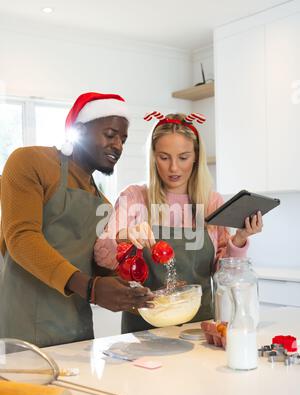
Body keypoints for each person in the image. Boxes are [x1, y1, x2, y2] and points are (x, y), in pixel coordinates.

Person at [0, 92, 154, 347]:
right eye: (110, 134)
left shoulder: (103, 204)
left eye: (123, 140)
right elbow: (21, 238)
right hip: (24, 328)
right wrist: (91, 288)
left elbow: (94, 266)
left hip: (78, 333)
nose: (118, 146)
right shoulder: (29, 162)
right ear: (80, 130)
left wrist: (124, 288)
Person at [94, 112, 263, 333]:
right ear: (153, 157)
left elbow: (221, 272)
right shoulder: (134, 197)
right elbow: (102, 257)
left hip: (199, 329)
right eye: (164, 157)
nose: (174, 168)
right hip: (144, 329)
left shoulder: (211, 201)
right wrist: (124, 235)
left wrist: (239, 239)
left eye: (183, 157)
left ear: (196, 156)